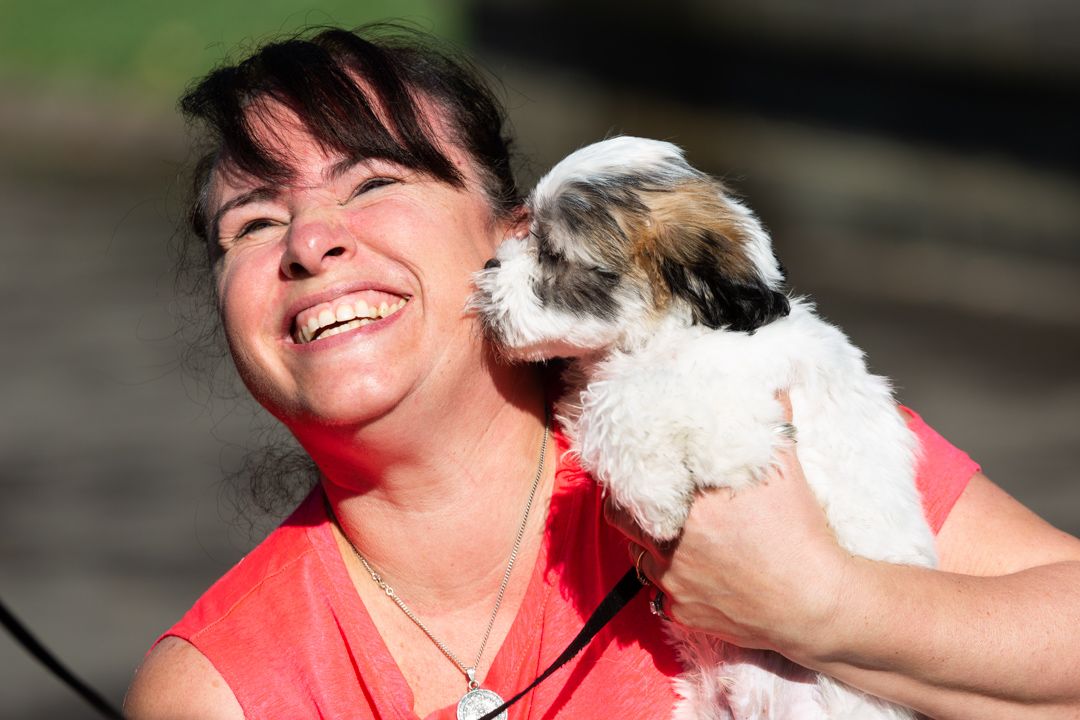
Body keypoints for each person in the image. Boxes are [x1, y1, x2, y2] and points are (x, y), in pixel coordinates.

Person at [124, 25, 1080, 720]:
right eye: (251, 223)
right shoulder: (219, 687)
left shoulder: (746, 420)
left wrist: (823, 605)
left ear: (513, 236)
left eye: (373, 183)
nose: (311, 242)